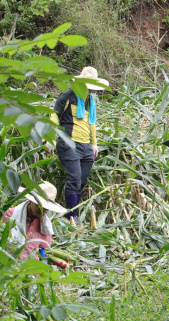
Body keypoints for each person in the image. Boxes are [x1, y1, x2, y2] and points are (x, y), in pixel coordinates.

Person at [51, 66, 109, 222]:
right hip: (69, 143)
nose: (90, 90)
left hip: (86, 147)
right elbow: (54, 116)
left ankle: (72, 212)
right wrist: (49, 138)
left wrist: (94, 144)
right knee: (74, 178)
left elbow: (92, 123)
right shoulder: (67, 96)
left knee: (81, 181)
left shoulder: (90, 100)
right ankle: (71, 215)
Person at [3, 181, 67, 265]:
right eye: (39, 204)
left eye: (45, 207)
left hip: (30, 271)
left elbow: (41, 252)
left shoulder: (45, 226)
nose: (42, 209)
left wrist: (50, 263)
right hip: (6, 267)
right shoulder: (10, 215)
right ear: (31, 200)